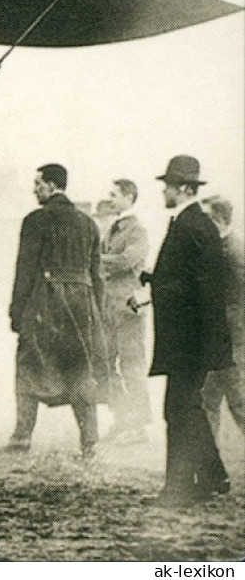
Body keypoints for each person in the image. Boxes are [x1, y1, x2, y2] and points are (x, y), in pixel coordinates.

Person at [145, 156, 232, 506]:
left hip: (189, 340)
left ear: (183, 188)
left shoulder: (192, 225)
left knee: (179, 410)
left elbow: (203, 288)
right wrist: (155, 281)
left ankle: (179, 489)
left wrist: (160, 287)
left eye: (167, 184)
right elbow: (189, 280)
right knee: (186, 407)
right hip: (191, 339)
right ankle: (211, 477)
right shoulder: (192, 223)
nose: (163, 190)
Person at [5, 163, 109, 459]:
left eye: (37, 183)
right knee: (80, 369)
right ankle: (90, 441)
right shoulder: (88, 223)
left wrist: (16, 311)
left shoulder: (35, 220)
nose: (34, 189)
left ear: (51, 186)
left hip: (44, 303)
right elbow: (97, 275)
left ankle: (22, 437)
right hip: (81, 306)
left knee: (29, 363)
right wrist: (96, 315)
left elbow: (24, 270)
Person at [99, 178, 151, 443]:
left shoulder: (137, 230)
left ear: (129, 197)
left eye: (114, 194)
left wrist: (94, 259)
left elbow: (125, 261)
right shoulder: (113, 228)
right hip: (110, 307)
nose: (110, 199)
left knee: (132, 366)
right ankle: (123, 418)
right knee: (105, 365)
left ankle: (139, 427)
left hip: (129, 308)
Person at [198, 195, 243, 441]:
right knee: (208, 399)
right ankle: (208, 463)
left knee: (239, 402)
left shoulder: (234, 250)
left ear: (220, 220)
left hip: (233, 341)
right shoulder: (217, 247)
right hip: (218, 340)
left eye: (207, 219)